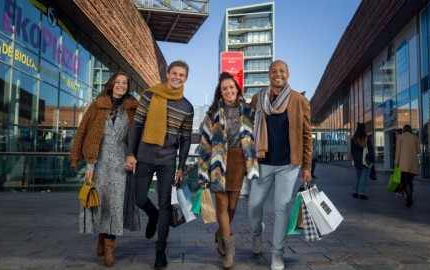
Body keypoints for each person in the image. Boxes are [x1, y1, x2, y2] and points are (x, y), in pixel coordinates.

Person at [125, 60, 194, 270]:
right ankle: (152, 214)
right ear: (167, 73)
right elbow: (137, 126)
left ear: (186, 78)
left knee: (165, 205)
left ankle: (160, 251)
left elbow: (185, 139)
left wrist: (181, 166)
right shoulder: (149, 95)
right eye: (174, 73)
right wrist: (131, 153)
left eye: (181, 75)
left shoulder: (187, 107)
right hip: (145, 156)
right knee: (139, 198)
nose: (177, 77)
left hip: (167, 162)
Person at [69, 72, 139, 267]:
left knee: (115, 206)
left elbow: (138, 135)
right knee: (99, 204)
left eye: (125, 83)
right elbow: (82, 130)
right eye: (118, 82)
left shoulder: (133, 108)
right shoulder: (97, 105)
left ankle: (110, 247)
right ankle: (101, 236)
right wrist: (80, 159)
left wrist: (135, 157)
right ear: (111, 84)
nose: (121, 85)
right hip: (97, 163)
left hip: (121, 163)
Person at [248, 60, 313, 270]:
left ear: (288, 74)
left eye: (282, 71)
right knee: (253, 205)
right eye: (274, 71)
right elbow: (247, 127)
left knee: (282, 207)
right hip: (263, 162)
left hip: (288, 164)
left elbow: (306, 135)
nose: (278, 74)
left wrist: (306, 166)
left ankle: (277, 253)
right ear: (269, 74)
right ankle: (257, 232)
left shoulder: (299, 100)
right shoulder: (258, 98)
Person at [198, 72, 259, 269]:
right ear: (220, 92)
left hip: (239, 160)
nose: (228, 91)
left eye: (231, 87)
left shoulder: (249, 111)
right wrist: (203, 169)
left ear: (237, 88)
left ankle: (221, 233)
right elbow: (205, 143)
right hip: (218, 163)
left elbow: (256, 136)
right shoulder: (213, 112)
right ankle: (229, 249)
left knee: (232, 206)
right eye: (224, 88)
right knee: (222, 206)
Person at [395, 124, 420, 207]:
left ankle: (409, 199)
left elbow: (397, 151)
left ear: (403, 130)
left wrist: (396, 162)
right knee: (409, 181)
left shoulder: (400, 137)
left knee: (406, 182)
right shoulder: (415, 138)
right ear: (410, 130)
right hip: (413, 163)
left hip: (403, 163)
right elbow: (418, 151)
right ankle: (409, 199)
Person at [350, 122, 375, 200]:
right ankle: (362, 193)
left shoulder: (354, 138)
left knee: (357, 175)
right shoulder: (366, 138)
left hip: (357, 158)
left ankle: (354, 192)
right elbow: (370, 149)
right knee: (363, 176)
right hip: (365, 158)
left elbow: (352, 150)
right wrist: (373, 159)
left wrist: (354, 157)